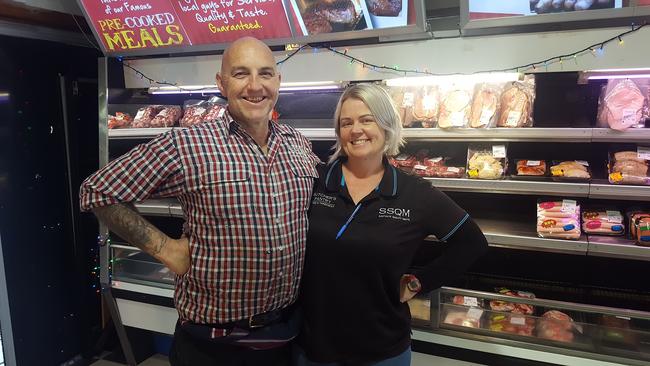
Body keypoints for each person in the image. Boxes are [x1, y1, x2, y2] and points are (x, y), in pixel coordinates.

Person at [79, 37, 319, 366]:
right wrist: (165, 249)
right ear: (221, 83)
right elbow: (97, 191)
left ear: (278, 81)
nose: (254, 86)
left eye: (265, 73)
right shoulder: (186, 145)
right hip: (212, 344)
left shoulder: (299, 145)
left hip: (285, 335)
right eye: (240, 73)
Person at [296, 83, 489, 365]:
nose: (356, 130)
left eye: (366, 119)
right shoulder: (315, 181)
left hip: (382, 351)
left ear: (386, 125)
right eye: (346, 122)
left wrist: (420, 281)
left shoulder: (414, 193)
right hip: (314, 349)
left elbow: (472, 243)